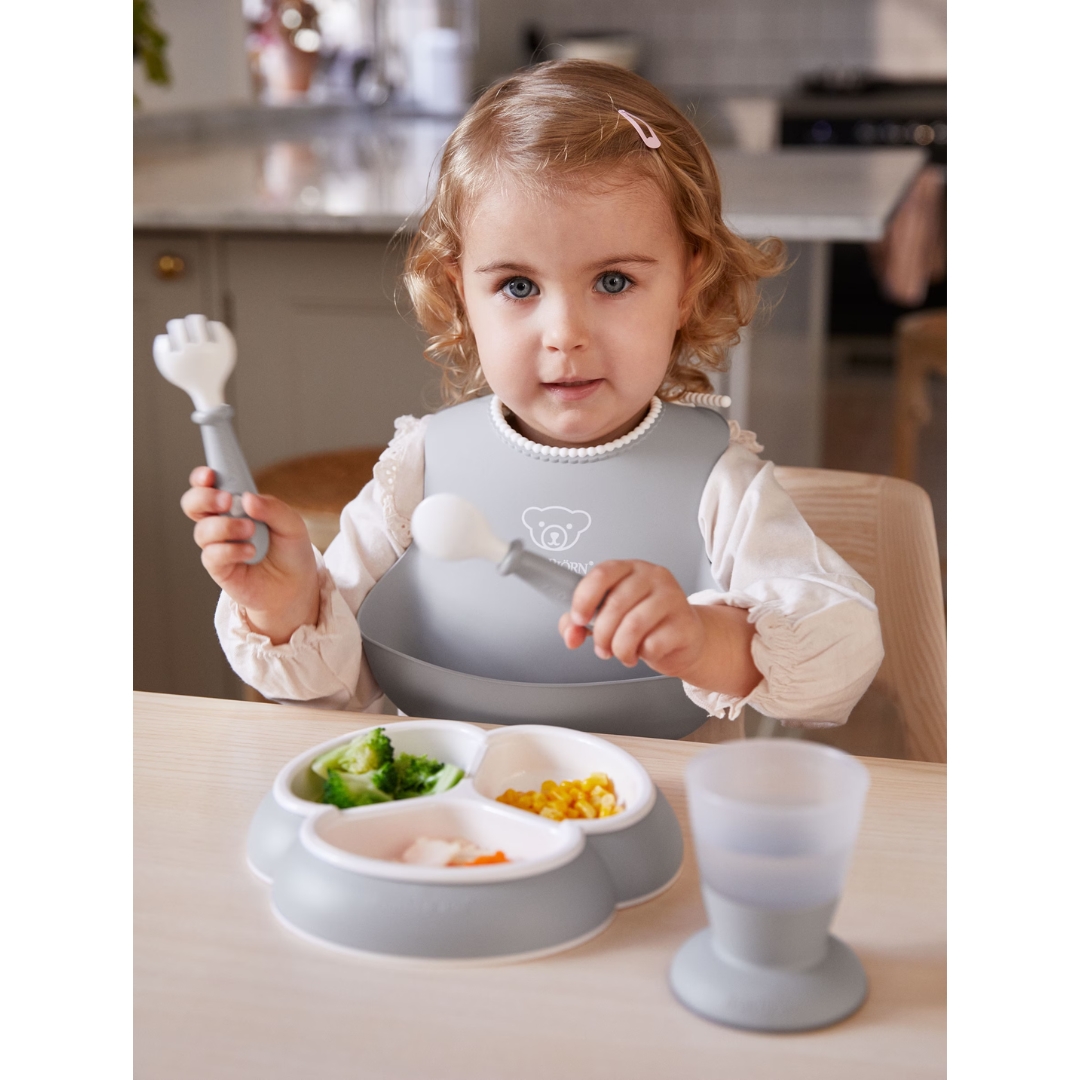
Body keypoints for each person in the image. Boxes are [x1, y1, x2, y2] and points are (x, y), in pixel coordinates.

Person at [181, 61, 883, 740]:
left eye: (613, 281)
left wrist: (706, 640)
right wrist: (286, 607)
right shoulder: (421, 467)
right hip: (452, 806)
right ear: (462, 293)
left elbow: (841, 663)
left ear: (686, 288)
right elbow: (338, 690)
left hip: (662, 802)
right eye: (518, 287)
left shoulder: (719, 481)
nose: (564, 334)